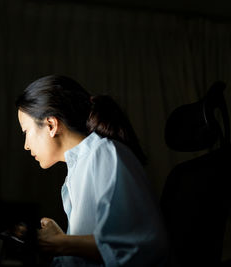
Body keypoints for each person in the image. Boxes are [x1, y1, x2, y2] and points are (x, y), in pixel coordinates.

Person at [15, 75, 168, 266]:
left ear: (51, 125)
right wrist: (60, 240)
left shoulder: (103, 155)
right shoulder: (78, 169)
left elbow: (135, 250)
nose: (26, 146)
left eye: (26, 132)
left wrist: (61, 243)